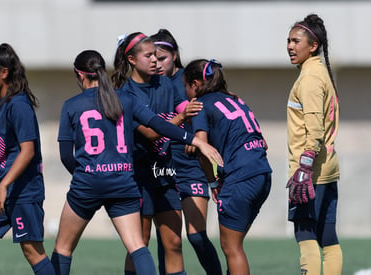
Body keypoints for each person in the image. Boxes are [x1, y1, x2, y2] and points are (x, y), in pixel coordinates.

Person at [51, 50, 223, 275]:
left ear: (80, 75)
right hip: (123, 182)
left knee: (63, 248)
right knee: (138, 247)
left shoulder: (72, 105)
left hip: (88, 183)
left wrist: (87, 174)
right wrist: (195, 141)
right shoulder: (124, 98)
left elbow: (66, 155)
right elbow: (159, 126)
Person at [112, 32, 203, 275]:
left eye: (156, 54)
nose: (155, 60)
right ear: (131, 59)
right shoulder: (125, 93)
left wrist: (203, 108)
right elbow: (151, 133)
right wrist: (183, 117)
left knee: (173, 242)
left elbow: (185, 106)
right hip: (138, 177)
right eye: (148, 55)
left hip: (166, 174)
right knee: (139, 244)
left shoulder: (166, 84)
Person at [0, 43, 55, 275]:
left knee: (32, 251)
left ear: (4, 73)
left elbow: (28, 151)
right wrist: (1, 185)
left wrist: (4, 186)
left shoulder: (19, 105)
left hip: (24, 190)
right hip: (3, 186)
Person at [184, 58, 272, 275]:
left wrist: (212, 181)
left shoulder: (200, 104)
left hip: (240, 178)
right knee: (235, 244)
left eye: (185, 86)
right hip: (262, 172)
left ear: (195, 84)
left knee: (231, 247)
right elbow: (264, 143)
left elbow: (202, 148)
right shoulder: (236, 100)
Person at [151, 29, 222, 275]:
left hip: (191, 167)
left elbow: (204, 108)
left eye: (162, 58)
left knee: (196, 235)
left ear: (174, 55)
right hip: (163, 168)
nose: (157, 64)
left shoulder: (187, 79)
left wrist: (198, 136)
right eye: (153, 58)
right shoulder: (150, 84)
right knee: (167, 239)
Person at [285, 14, 342, 275]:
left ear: (313, 45)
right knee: (328, 237)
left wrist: (304, 167)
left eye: (296, 41)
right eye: (288, 41)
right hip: (328, 168)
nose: (290, 46)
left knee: (305, 235)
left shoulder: (309, 79)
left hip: (311, 174)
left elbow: (315, 130)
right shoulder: (319, 72)